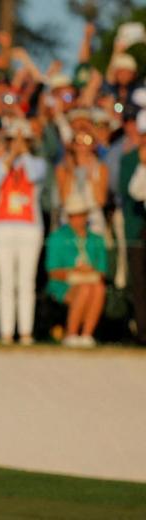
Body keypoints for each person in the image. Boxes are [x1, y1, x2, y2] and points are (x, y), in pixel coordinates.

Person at [0, 119, 47, 345]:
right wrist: (11, 155)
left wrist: (24, 153)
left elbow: (32, 176)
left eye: (22, 140)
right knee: (5, 282)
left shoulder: (37, 163)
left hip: (29, 226)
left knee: (26, 282)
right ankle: (6, 332)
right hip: (3, 225)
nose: (17, 144)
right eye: (13, 140)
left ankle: (25, 332)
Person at [46, 194, 107, 347]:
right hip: (64, 284)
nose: (77, 219)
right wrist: (76, 271)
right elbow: (53, 271)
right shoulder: (57, 237)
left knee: (98, 289)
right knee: (85, 289)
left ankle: (87, 335)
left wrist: (89, 271)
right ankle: (71, 334)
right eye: (73, 216)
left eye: (81, 215)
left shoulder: (96, 239)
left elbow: (102, 270)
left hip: (91, 281)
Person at [120, 113, 146, 346]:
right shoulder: (131, 160)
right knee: (140, 282)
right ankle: (143, 332)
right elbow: (136, 192)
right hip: (141, 228)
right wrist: (143, 165)